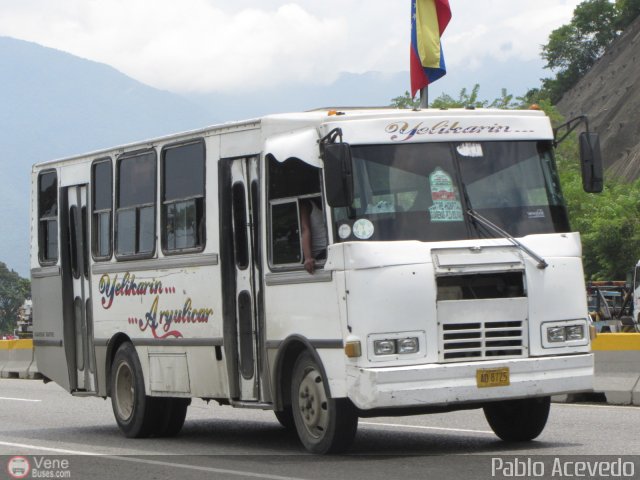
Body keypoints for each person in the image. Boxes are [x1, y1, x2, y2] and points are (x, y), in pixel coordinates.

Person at [299, 198, 327, 274]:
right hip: (326, 250)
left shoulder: (305, 205)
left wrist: (308, 258)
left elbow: (304, 229)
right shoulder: (321, 205)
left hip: (321, 254)